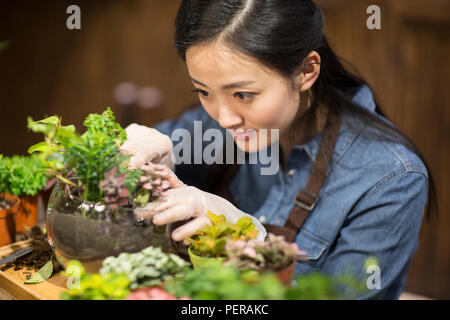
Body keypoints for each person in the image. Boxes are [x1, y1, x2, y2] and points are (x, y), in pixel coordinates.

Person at [120, 0, 437, 299]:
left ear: (306, 72)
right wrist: (159, 153)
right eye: (202, 91)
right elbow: (161, 146)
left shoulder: (391, 178)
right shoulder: (226, 112)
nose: (224, 118)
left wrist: (246, 237)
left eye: (243, 94)